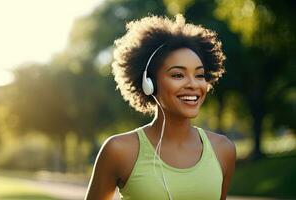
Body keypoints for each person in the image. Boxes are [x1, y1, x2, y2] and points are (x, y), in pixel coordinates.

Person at [85, 14, 236, 200]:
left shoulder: (223, 149)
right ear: (150, 83)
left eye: (199, 75)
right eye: (178, 75)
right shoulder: (119, 150)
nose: (193, 85)